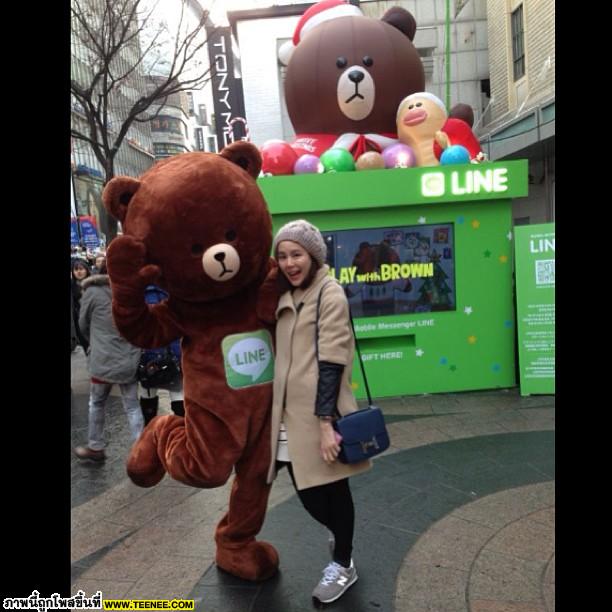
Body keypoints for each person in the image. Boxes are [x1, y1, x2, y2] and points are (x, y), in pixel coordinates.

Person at [268, 220, 371, 605]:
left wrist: (327, 425)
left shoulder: (329, 293)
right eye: (282, 255)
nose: (290, 262)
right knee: (309, 493)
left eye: (297, 254)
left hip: (319, 415)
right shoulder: (287, 293)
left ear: (313, 255)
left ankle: (343, 562)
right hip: (288, 417)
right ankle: (340, 534)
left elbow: (332, 359)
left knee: (332, 489)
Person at [74, 261, 144, 461]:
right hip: (129, 357)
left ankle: (95, 446)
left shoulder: (92, 293)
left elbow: (83, 324)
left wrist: (96, 341)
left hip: (102, 359)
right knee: (131, 405)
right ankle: (141, 448)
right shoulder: (132, 293)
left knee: (96, 403)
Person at [138, 285, 185, 424]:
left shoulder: (137, 293)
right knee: (178, 396)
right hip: (173, 354)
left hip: (147, 355)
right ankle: (182, 436)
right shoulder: (173, 290)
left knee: (148, 399)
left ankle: (149, 436)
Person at [71, 259, 91, 352]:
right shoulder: (72, 286)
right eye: (76, 269)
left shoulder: (93, 284)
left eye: (81, 269)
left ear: (86, 270)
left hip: (92, 321)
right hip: (78, 321)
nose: (78, 271)